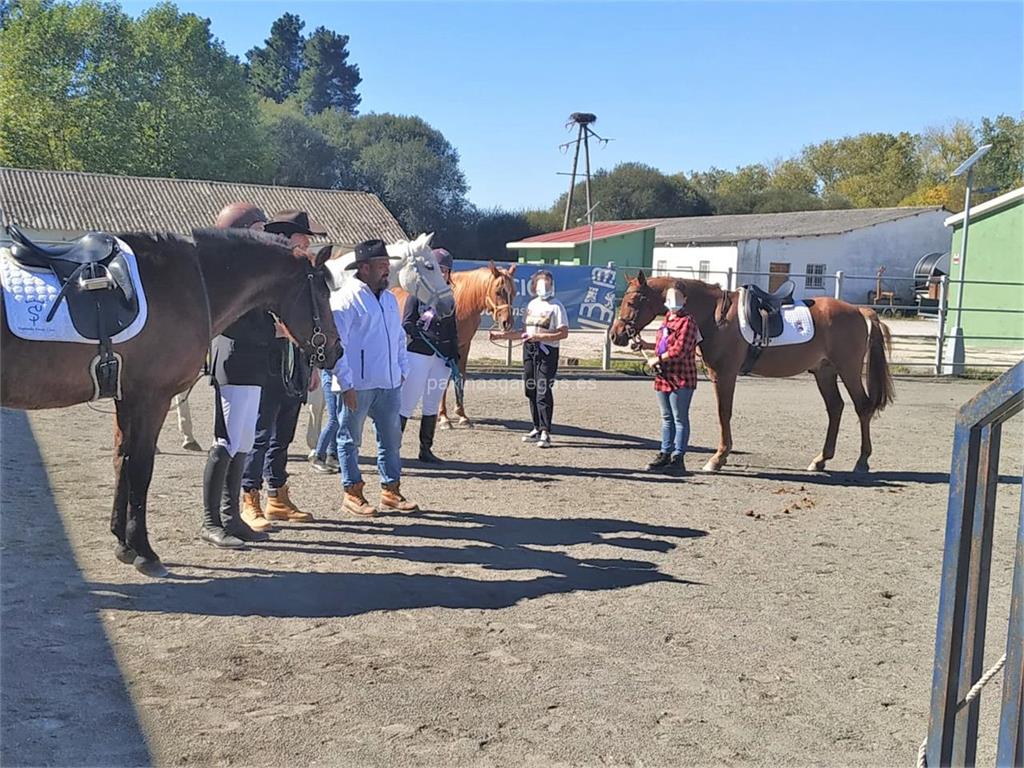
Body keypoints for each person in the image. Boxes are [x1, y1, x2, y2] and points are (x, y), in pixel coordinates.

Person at [240, 210, 325, 525]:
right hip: (266, 364)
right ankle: (250, 498)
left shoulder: (303, 276)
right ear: (287, 239)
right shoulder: (263, 276)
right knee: (261, 434)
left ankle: (277, 494)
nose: (307, 243)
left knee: (283, 435)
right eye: (303, 238)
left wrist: (312, 365)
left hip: (296, 364)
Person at [199, 202, 274, 548]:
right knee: (225, 441)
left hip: (253, 358)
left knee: (242, 441)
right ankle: (211, 520)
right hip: (232, 358)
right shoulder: (226, 271)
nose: (264, 236)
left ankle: (231, 517)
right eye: (259, 230)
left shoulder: (249, 268)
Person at [332, 238, 418, 516]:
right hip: (357, 385)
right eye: (382, 266)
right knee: (349, 439)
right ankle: (352, 492)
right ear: (364, 268)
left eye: (387, 265)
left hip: (389, 384)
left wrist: (402, 370)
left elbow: (398, 338)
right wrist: (346, 384)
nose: (387, 271)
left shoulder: (391, 299)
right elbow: (338, 346)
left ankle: (390, 491)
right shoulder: (345, 299)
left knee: (391, 440)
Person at [491, 269, 568, 448]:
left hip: (547, 352)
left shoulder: (556, 306)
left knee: (543, 391)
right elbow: (524, 332)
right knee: (530, 389)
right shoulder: (532, 305)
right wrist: (501, 336)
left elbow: (563, 333)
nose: (544, 287)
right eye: (541, 283)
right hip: (529, 349)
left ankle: (545, 431)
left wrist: (541, 338)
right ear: (534, 286)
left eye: (548, 283)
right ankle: (536, 427)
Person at [399, 247, 459, 463]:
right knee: (408, 402)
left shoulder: (448, 297)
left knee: (432, 403)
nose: (442, 273)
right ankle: (392, 447)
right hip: (419, 353)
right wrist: (419, 332)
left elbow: (452, 327)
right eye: (439, 269)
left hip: (441, 358)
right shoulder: (417, 294)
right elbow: (406, 322)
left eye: (446, 270)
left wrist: (453, 354)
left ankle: (426, 449)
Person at [636, 281, 701, 474]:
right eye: (670, 297)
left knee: (679, 418)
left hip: (681, 376)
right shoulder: (666, 319)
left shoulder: (688, 321)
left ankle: (678, 457)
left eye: (678, 297)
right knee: (666, 418)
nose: (673, 301)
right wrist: (647, 346)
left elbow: (680, 350)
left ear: (685, 299)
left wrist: (657, 359)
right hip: (664, 375)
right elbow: (663, 344)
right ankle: (665, 453)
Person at [309, 247, 341, 474]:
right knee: (334, 418)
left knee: (338, 417)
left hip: (338, 369)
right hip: (333, 371)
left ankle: (331, 454)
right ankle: (318, 454)